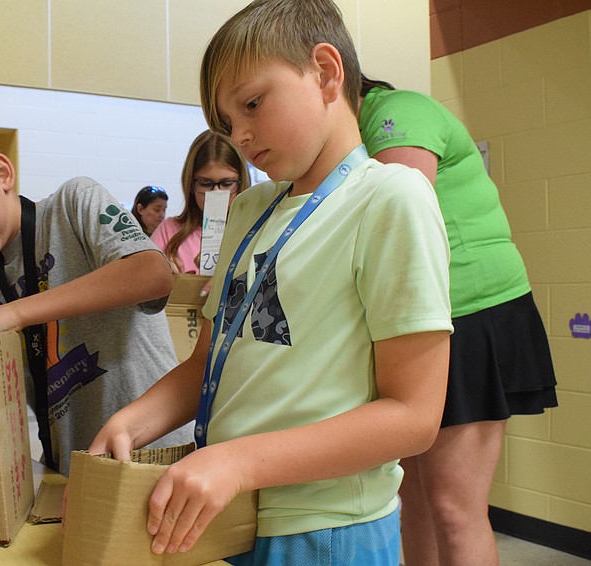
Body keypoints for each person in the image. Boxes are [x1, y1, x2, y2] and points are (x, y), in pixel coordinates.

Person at [87, 0, 454, 563]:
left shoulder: (390, 197)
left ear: (327, 73)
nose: (243, 135)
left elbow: (414, 416)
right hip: (231, 510)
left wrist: (235, 461)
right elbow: (207, 363)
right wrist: (132, 421)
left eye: (253, 104)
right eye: (228, 124)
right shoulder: (248, 209)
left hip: (325, 526)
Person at [0, 114, 194, 476]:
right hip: (76, 470)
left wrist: (16, 313)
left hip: (155, 455)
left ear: (2, 172)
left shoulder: (73, 204)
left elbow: (153, 274)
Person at [359, 75, 558, 566]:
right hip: (421, 323)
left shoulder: (396, 113)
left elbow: (396, 223)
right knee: (416, 503)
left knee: (454, 508)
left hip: (471, 311)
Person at [151, 131, 250, 274]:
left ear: (241, 183)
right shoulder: (169, 231)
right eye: (205, 183)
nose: (216, 193)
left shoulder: (255, 231)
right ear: (191, 184)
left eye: (227, 183)